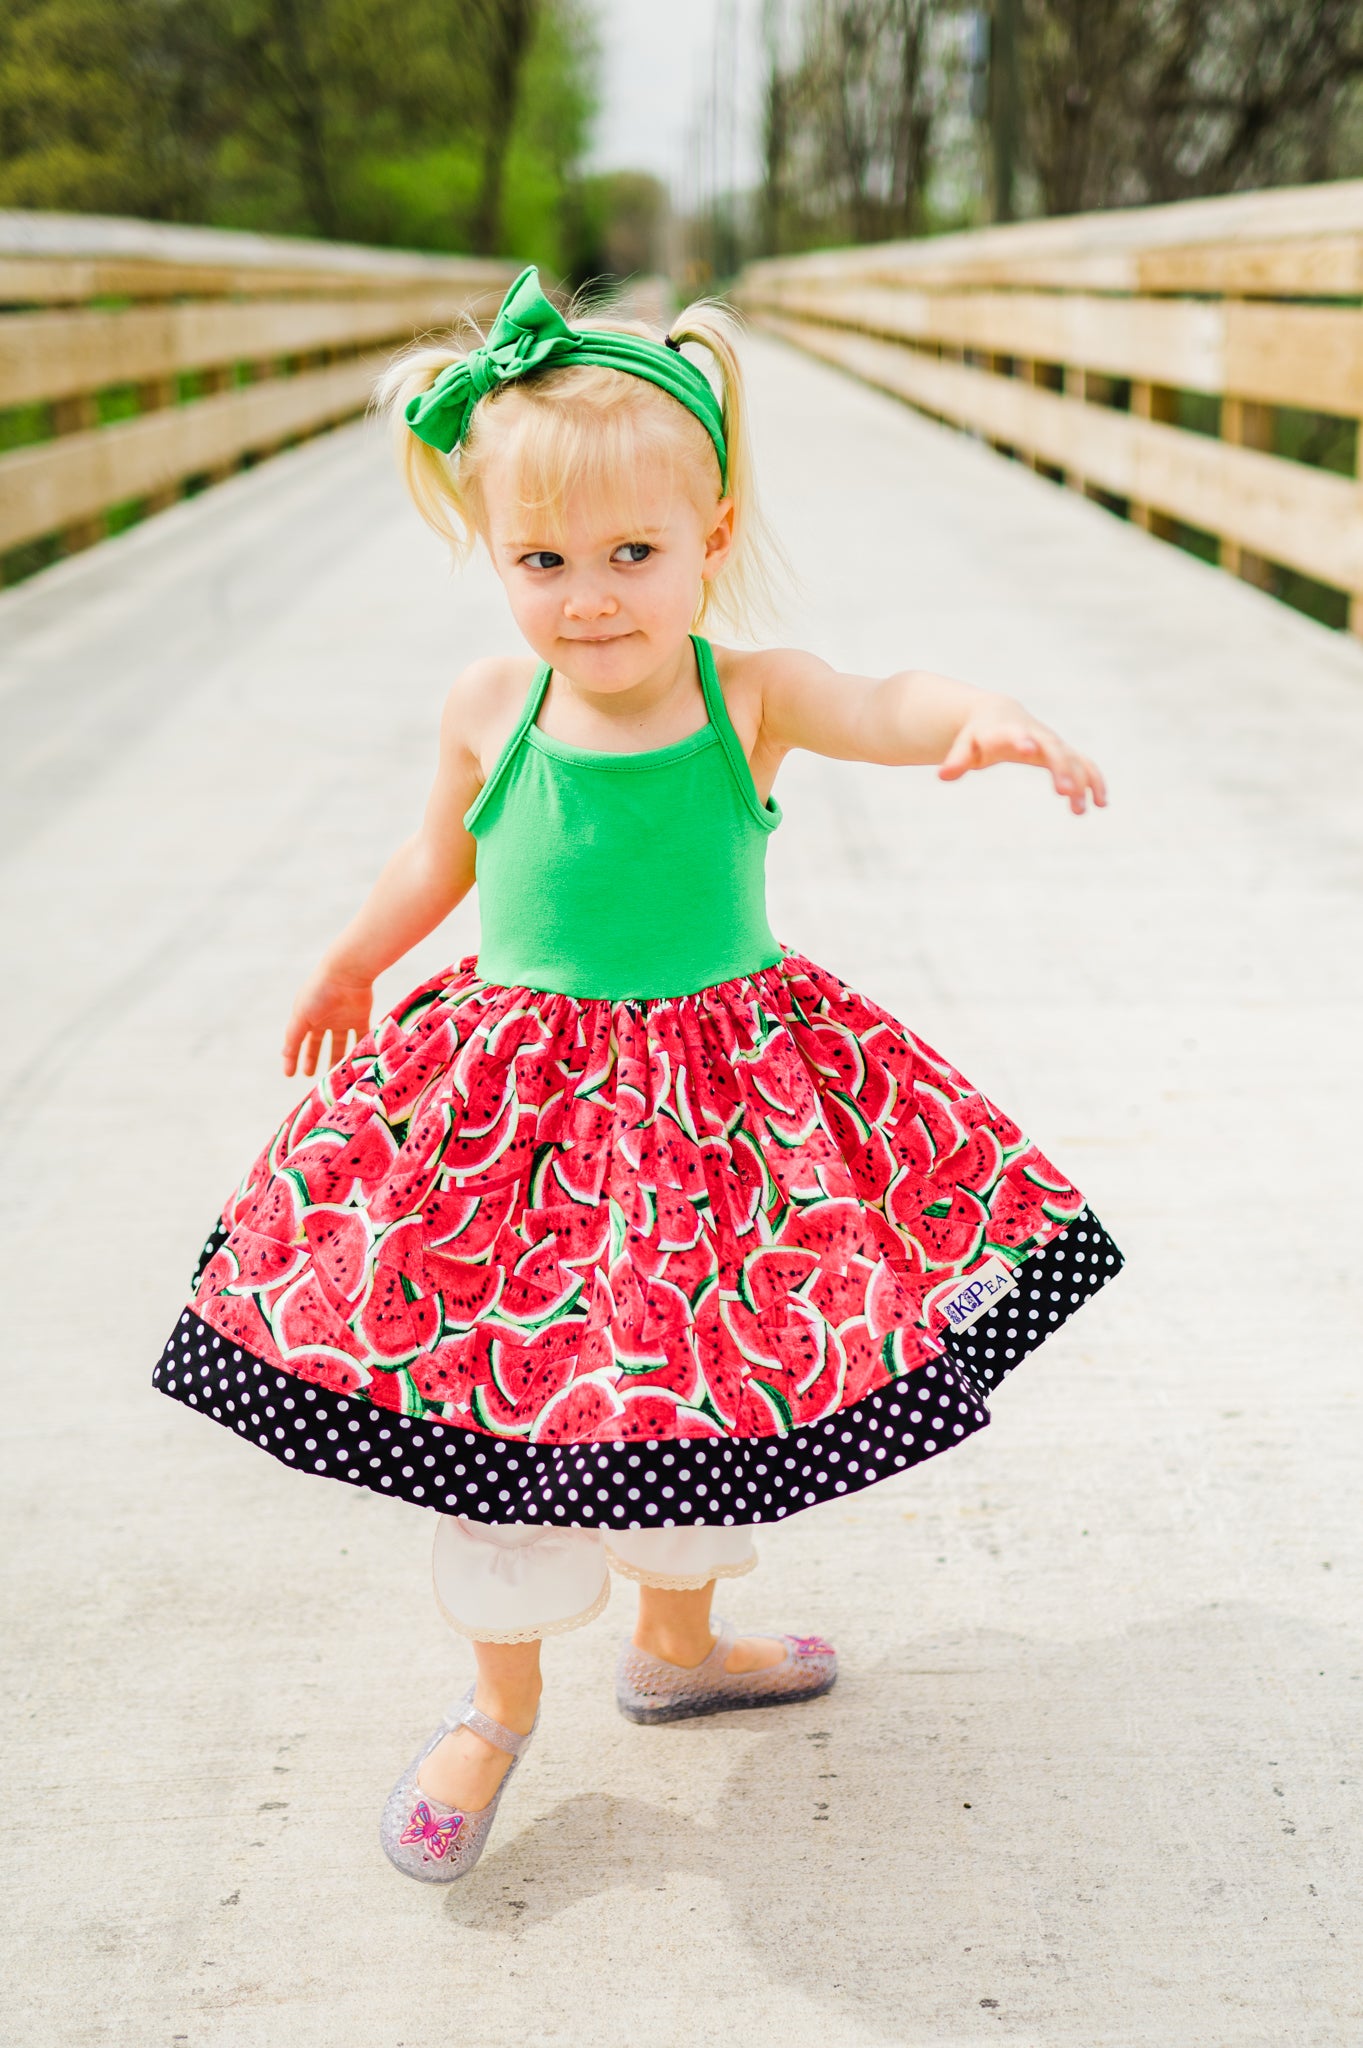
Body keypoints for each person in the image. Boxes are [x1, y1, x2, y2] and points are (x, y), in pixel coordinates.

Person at [154, 266, 1122, 1884]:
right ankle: (495, 1706)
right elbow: (439, 852)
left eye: (631, 557)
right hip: (511, 1130)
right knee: (496, 1410)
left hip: (717, 1124)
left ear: (709, 542)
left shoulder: (746, 695)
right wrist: (350, 958)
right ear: (493, 556)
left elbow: (887, 702)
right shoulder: (491, 703)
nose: (588, 599)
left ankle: (682, 1639)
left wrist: (990, 713)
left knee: (703, 1388)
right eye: (542, 562)